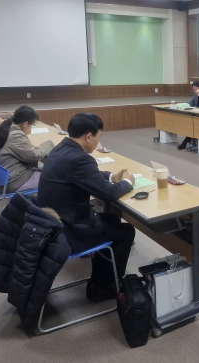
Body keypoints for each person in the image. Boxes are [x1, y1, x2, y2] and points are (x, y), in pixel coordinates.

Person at [38, 112, 136, 302]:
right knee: (126, 231)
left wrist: (111, 177)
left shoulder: (61, 148)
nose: (99, 142)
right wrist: (127, 182)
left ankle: (99, 280)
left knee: (112, 219)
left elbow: (86, 175)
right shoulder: (80, 159)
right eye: (99, 136)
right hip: (68, 231)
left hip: (51, 223)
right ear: (89, 136)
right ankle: (104, 288)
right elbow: (108, 194)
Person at [0, 106, 54, 193]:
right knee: (56, 177)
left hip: (3, 178)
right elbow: (35, 155)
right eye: (32, 125)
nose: (32, 127)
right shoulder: (15, 135)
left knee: (48, 170)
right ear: (25, 124)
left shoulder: (4, 128)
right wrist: (49, 144)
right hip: (14, 182)